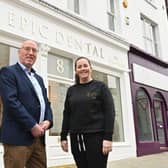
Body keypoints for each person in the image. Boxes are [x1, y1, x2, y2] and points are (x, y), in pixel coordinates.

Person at [0, 40, 53, 168]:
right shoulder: (8, 72)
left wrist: (48, 121)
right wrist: (32, 125)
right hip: (17, 138)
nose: (30, 53)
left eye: (34, 50)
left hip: (38, 140)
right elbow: (11, 102)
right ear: (19, 52)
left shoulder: (38, 78)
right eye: (27, 49)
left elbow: (46, 103)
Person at [60, 56, 115, 168]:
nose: (82, 68)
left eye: (85, 65)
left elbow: (110, 112)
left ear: (91, 68)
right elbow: (67, 114)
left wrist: (108, 138)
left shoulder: (100, 87)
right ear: (76, 70)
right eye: (79, 67)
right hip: (76, 138)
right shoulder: (71, 90)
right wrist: (63, 137)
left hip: (97, 138)